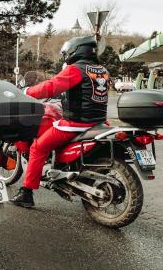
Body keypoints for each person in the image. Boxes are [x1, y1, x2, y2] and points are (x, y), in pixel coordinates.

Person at [10, 35, 109, 208]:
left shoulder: (76, 69)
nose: (66, 55)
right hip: (98, 122)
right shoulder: (101, 70)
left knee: (37, 147)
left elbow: (51, 87)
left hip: (76, 123)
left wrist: (26, 91)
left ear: (76, 50)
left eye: (68, 52)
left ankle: (26, 193)